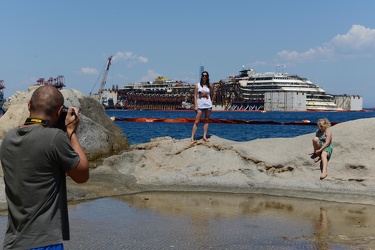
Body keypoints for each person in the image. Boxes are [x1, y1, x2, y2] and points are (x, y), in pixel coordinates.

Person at [0, 85, 89, 249]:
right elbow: (82, 175)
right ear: (59, 111)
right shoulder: (55, 138)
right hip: (43, 241)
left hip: (12, 241)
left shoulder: (8, 138)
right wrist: (71, 132)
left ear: (28, 105)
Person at [191, 71, 213, 142]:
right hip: (200, 105)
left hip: (208, 105)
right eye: (203, 75)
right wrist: (195, 105)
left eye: (206, 76)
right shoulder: (197, 85)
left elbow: (213, 94)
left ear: (207, 77)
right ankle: (192, 137)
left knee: (206, 121)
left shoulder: (209, 86)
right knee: (197, 121)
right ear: (201, 76)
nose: (204, 77)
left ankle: (204, 136)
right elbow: (194, 96)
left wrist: (211, 102)